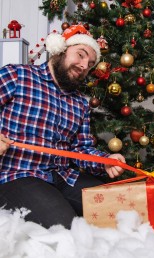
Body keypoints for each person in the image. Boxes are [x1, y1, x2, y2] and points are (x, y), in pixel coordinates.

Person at [0, 24, 126, 229]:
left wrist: (105, 161)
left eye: (91, 63)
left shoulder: (80, 103)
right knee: (65, 228)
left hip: (63, 177)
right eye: (81, 55)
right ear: (60, 50)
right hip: (18, 174)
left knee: (121, 210)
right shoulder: (17, 76)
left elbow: (81, 148)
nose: (85, 66)